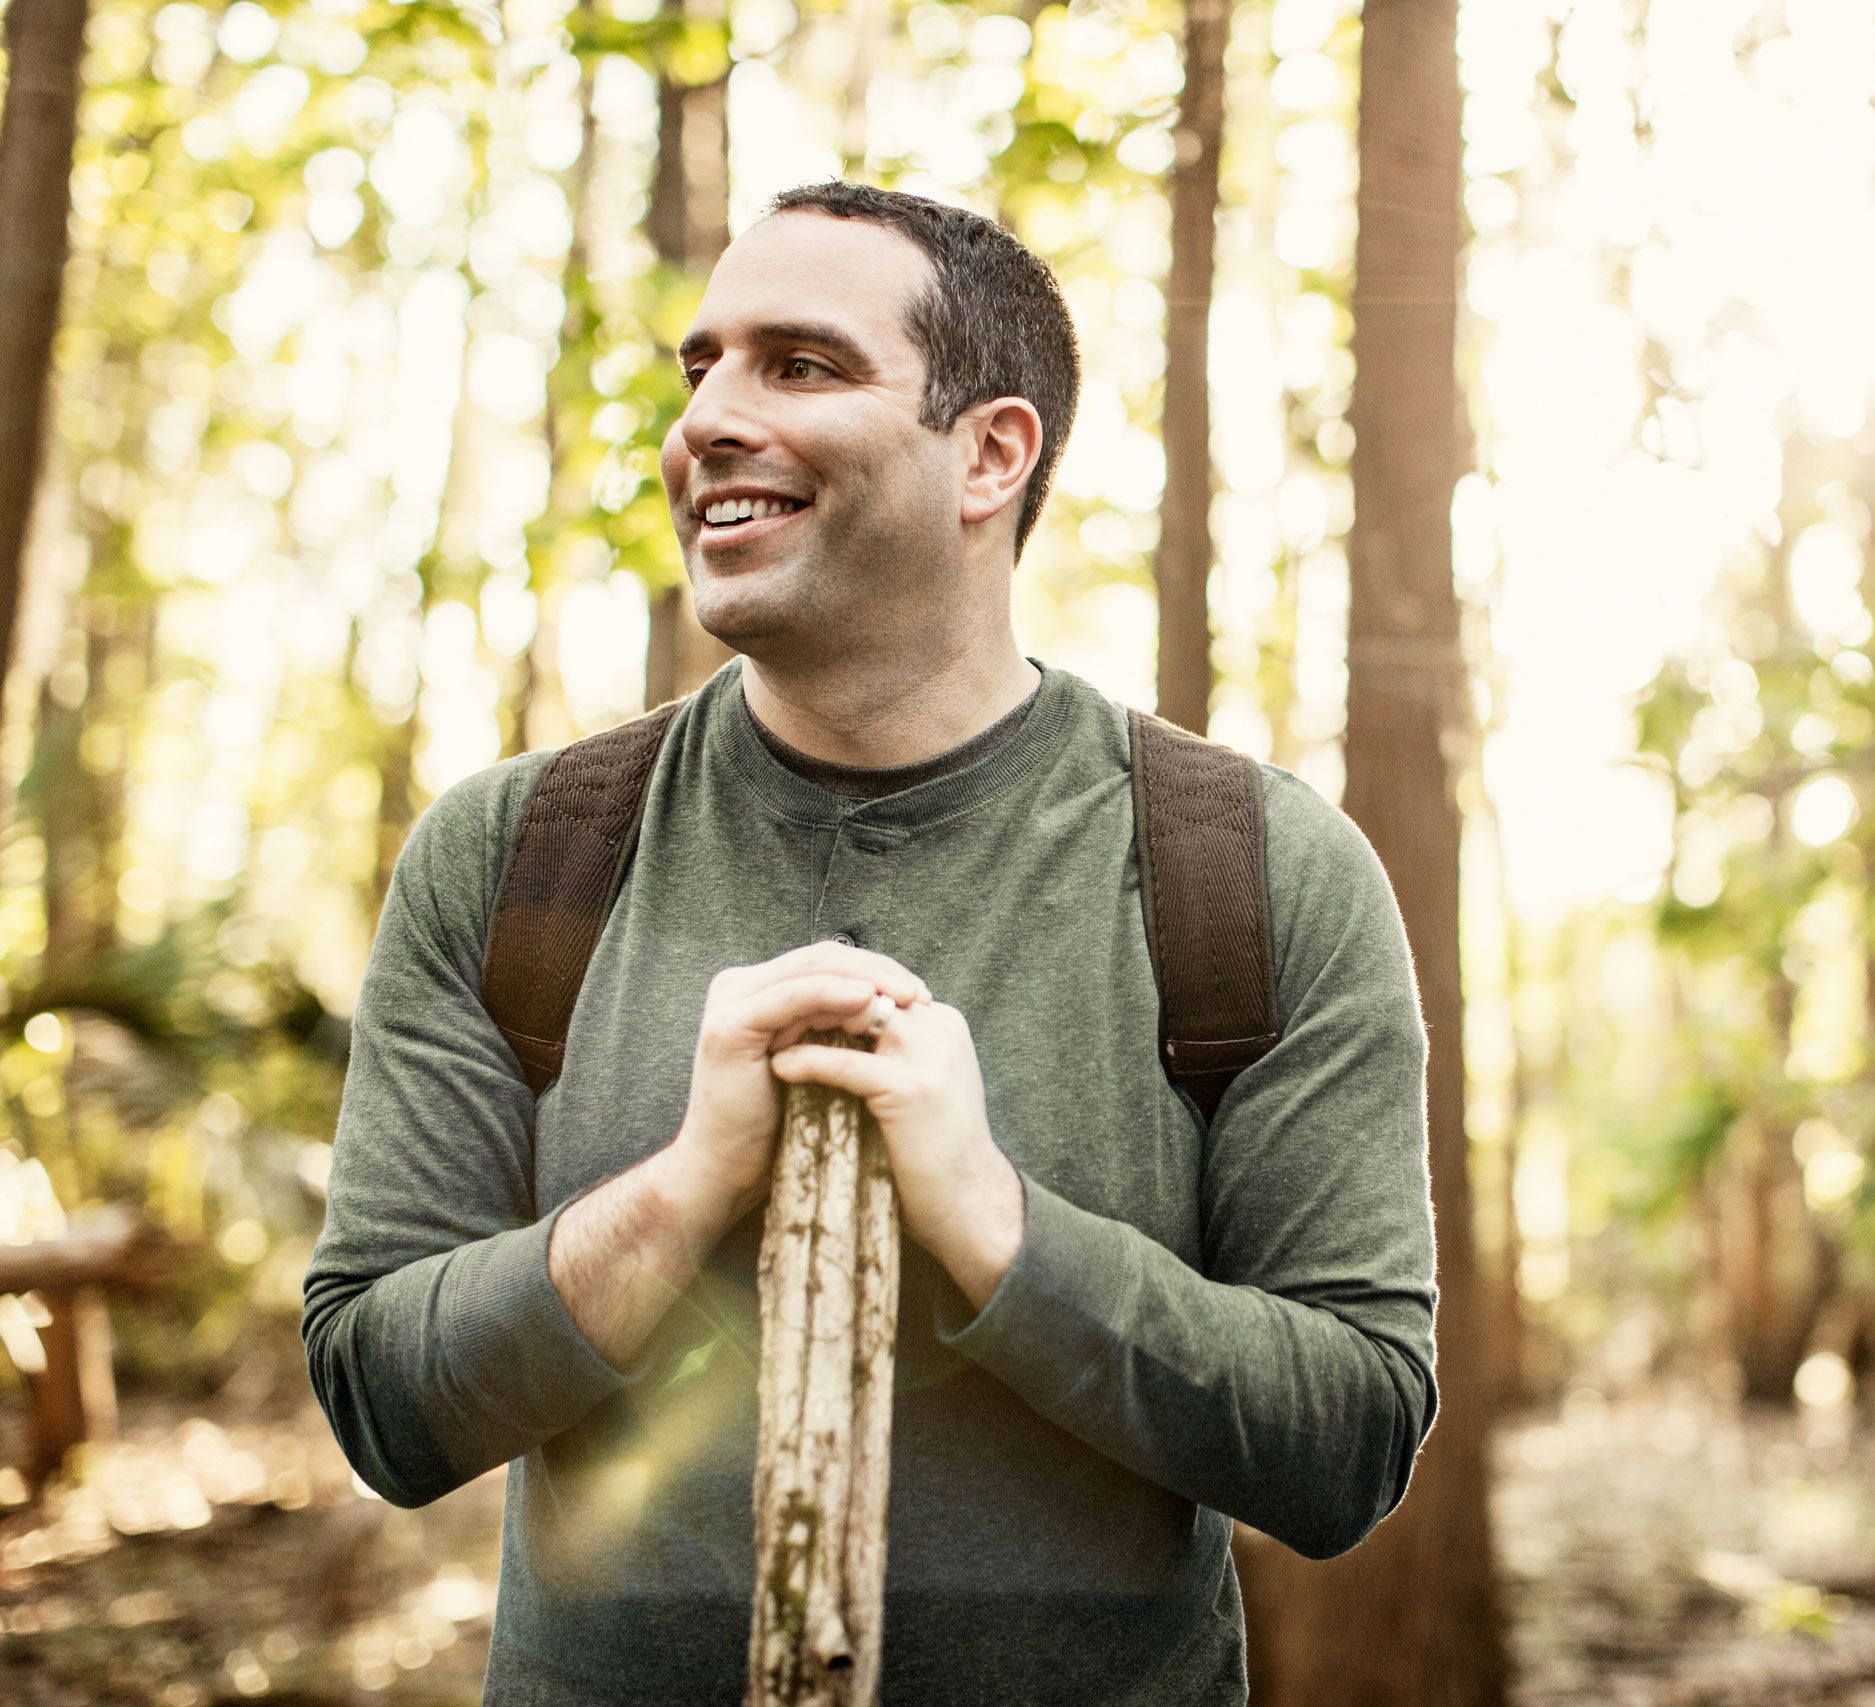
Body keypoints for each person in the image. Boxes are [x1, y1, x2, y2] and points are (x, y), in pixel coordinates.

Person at [299, 181, 1438, 1705]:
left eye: (800, 365)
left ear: (991, 454)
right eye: (702, 367)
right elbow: (381, 1403)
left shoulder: (1260, 871)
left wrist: (1001, 1230)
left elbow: (1351, 1442)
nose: (707, 421)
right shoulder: (511, 857)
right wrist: (681, 1192)